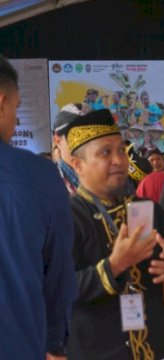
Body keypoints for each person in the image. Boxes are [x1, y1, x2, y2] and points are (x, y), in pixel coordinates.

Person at [65, 108, 164, 359]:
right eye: (105, 153)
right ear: (78, 165)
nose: (118, 160)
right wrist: (113, 266)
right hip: (98, 351)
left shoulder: (146, 209)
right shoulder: (66, 216)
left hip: (154, 347)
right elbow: (60, 288)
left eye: (121, 150)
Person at [0, 55, 76, 360]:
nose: (16, 120)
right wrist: (55, 343)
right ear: (1, 102)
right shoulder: (38, 177)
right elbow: (58, 278)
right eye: (17, 109)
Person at [52, 102, 93, 195]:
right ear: (58, 141)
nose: (85, 144)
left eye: (91, 137)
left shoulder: (111, 179)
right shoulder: (47, 184)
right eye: (77, 137)